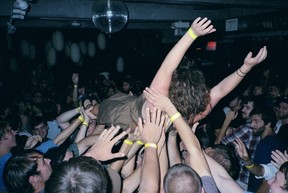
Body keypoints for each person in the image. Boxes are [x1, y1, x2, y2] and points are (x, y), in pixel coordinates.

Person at [90, 16, 267, 130]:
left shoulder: (156, 104)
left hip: (122, 113)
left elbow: (167, 68)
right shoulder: (194, 114)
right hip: (136, 120)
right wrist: (245, 68)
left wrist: (192, 33)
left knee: (96, 110)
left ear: (172, 85)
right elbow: (220, 90)